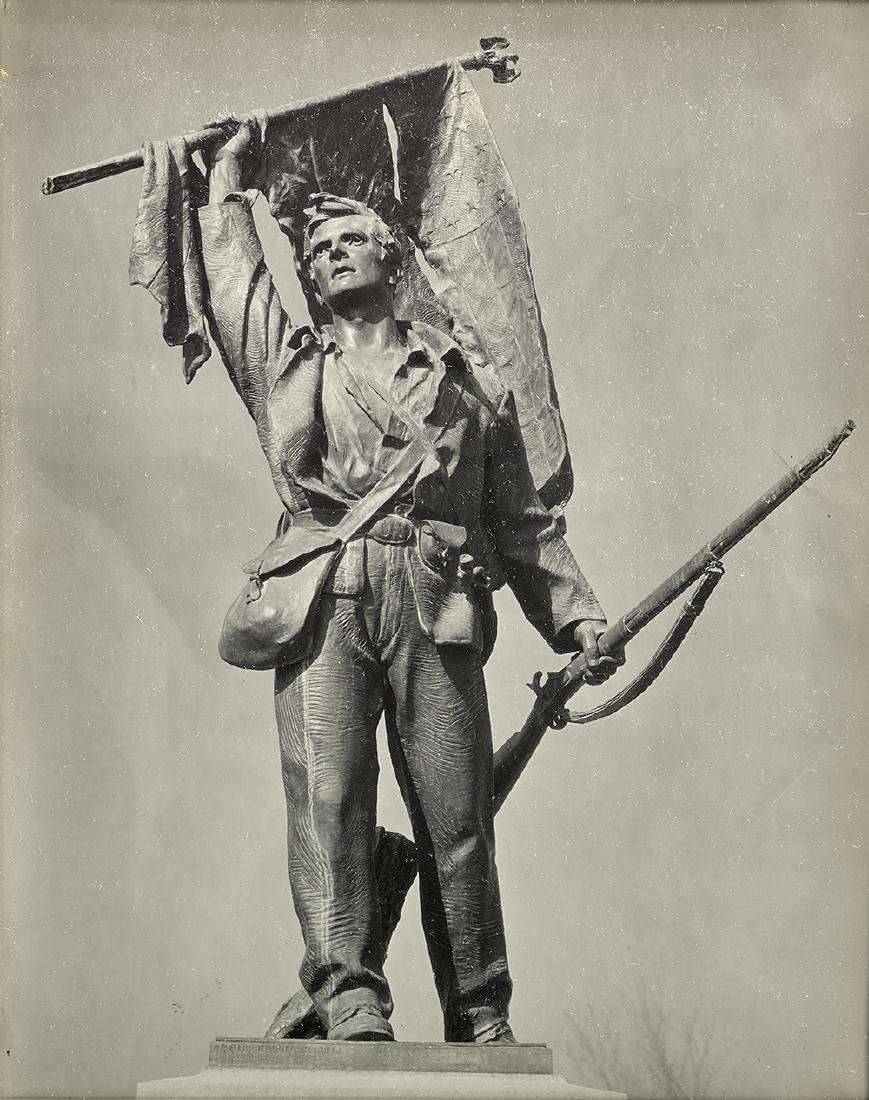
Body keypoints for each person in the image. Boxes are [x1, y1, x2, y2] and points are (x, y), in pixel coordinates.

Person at [198, 120, 620, 1045]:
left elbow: (518, 522)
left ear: (390, 259)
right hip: (327, 596)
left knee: (457, 818)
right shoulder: (291, 365)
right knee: (331, 802)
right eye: (316, 249)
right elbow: (234, 289)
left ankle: (480, 1011)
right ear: (307, 279)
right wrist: (227, 186)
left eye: (351, 240)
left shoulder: (468, 385)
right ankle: (349, 994)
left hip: (439, 596)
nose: (332, 254)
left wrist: (577, 618)